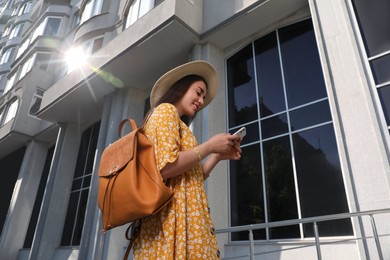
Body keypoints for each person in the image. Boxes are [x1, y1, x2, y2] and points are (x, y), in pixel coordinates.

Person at [132, 60, 242, 259]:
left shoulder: (179, 125)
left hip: (183, 225)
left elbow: (191, 176)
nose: (201, 100)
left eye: (204, 97)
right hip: (170, 226)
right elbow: (165, 167)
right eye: (198, 92)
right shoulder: (165, 111)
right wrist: (208, 146)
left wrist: (217, 155)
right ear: (181, 88)